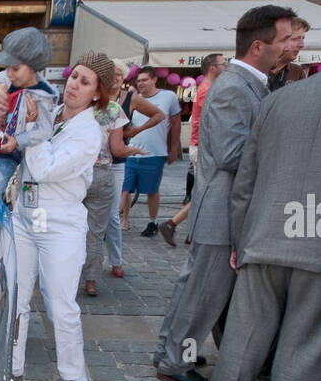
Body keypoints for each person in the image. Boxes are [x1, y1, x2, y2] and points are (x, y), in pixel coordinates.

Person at [154, 3, 296, 381]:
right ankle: (175, 360)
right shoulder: (234, 87)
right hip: (220, 208)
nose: (289, 47)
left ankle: (173, 351)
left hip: (222, 207)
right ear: (257, 47)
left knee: (194, 290)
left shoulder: (248, 84)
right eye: (283, 39)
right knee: (203, 295)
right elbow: (232, 154)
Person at [202, 74, 321, 381]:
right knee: (304, 343)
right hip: (315, 241)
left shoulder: (280, 99)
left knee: (245, 332)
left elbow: (246, 178)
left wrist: (241, 238)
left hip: (266, 232)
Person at [12, 59, 105, 381]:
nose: (74, 85)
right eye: (74, 77)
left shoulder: (89, 133)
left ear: (97, 94)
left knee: (61, 304)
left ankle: (73, 369)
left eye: (85, 82)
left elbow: (46, 169)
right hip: (25, 217)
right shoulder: (52, 113)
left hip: (59, 224)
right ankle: (14, 360)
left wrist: (34, 134)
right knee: (17, 296)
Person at [83, 58, 165, 293]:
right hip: (88, 165)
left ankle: (113, 262)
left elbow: (158, 116)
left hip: (113, 164)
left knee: (109, 216)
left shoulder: (125, 102)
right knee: (88, 220)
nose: (116, 77)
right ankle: (86, 267)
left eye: (119, 74)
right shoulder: (90, 100)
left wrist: (135, 133)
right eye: (112, 73)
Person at [0, 28, 57, 198]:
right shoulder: (4, 79)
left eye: (15, 68)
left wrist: (18, 141)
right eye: (7, 67)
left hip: (9, 156)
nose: (9, 73)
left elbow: (45, 130)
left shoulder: (44, 95)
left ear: (33, 67)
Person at [160, 52, 225, 245]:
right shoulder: (208, 90)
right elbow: (211, 121)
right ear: (212, 68)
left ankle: (187, 229)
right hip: (204, 146)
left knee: (204, 191)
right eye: (223, 64)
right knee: (205, 192)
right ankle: (175, 225)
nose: (225, 67)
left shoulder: (208, 88)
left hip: (203, 146)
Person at [119, 67, 181, 235]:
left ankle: (152, 222)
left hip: (155, 152)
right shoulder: (134, 99)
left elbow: (176, 123)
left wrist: (174, 147)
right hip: (132, 151)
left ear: (154, 79)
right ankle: (120, 219)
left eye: (144, 80)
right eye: (138, 81)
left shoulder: (169, 97)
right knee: (125, 188)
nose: (141, 83)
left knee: (152, 190)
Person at [268, 16, 309, 92]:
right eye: (295, 39)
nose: (301, 45)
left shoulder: (298, 71)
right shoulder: (256, 68)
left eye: (303, 38)